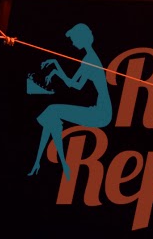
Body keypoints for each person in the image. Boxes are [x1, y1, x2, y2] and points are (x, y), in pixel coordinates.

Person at [29, 23, 112, 180]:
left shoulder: (91, 59)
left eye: (74, 39)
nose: (72, 43)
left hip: (101, 113)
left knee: (51, 112)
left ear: (82, 39)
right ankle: (41, 162)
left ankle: (57, 164)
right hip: (99, 110)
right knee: (51, 114)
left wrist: (55, 67)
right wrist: (55, 66)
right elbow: (74, 84)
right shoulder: (88, 57)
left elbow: (75, 86)